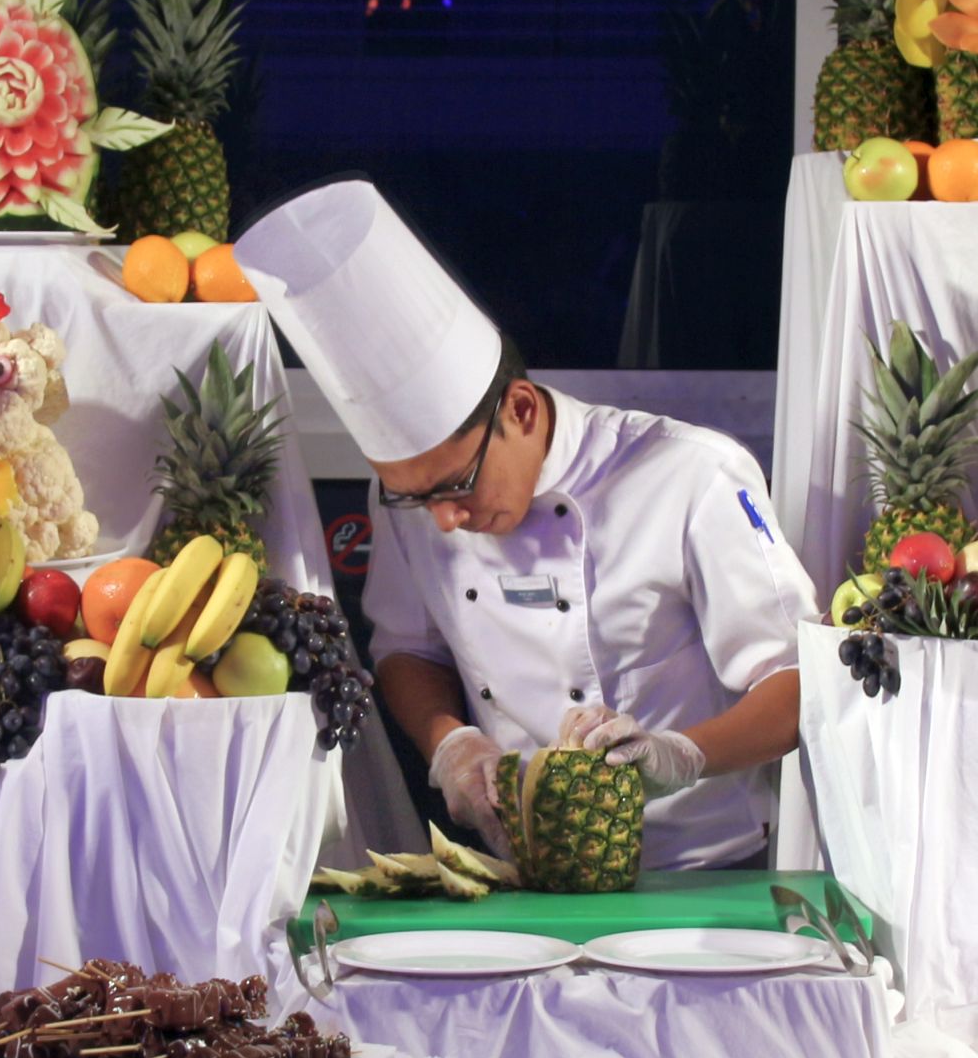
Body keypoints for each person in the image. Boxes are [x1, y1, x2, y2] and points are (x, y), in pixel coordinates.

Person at [235, 177, 819, 871]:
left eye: (456, 485)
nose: (445, 521)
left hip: (704, 867)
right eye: (416, 498)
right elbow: (405, 651)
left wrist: (682, 754)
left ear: (520, 410)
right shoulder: (411, 499)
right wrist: (450, 743)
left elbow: (795, 682)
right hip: (521, 872)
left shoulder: (692, 476)